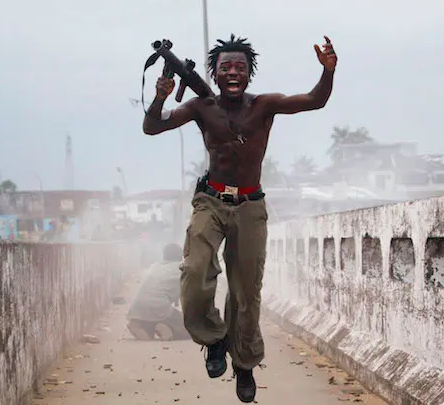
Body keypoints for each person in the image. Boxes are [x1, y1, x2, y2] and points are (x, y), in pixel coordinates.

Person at [141, 34, 337, 402]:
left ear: (249, 74)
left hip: (250, 206)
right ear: (214, 73)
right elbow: (152, 127)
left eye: (240, 68)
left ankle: (244, 363)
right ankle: (214, 339)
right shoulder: (201, 107)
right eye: (226, 67)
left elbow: (315, 100)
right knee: (196, 269)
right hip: (211, 201)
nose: (233, 72)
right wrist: (160, 97)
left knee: (247, 291)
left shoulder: (265, 105)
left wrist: (327, 72)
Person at [126, 243, 190, 341]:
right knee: (188, 330)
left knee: (150, 325)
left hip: (137, 308)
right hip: (159, 307)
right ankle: (166, 327)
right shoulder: (181, 268)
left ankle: (138, 326)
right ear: (180, 256)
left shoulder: (155, 266)